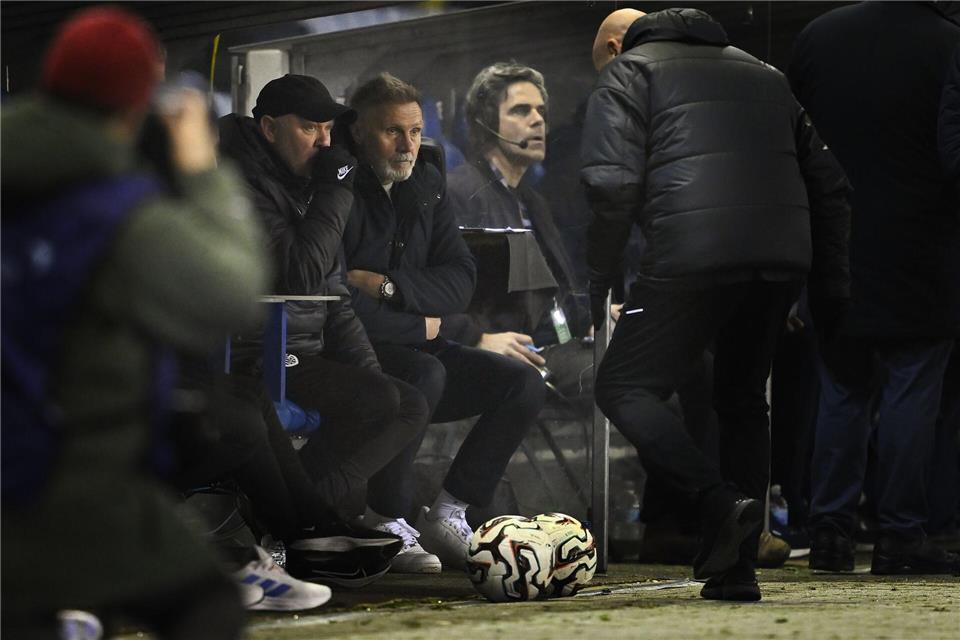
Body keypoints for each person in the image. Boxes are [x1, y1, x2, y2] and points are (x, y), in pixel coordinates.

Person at [1, 7, 267, 638]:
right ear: (134, 108)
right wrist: (202, 168)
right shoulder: (118, 218)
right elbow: (232, 291)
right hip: (65, 484)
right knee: (205, 606)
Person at [582, 8, 851, 601]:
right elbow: (830, 184)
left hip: (690, 253)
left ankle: (718, 502)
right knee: (742, 397)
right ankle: (738, 569)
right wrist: (828, 289)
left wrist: (597, 280)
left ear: (615, 44)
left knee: (623, 387)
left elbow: (610, 186)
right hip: (781, 258)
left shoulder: (628, 75)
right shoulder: (765, 73)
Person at [217, 74, 432, 576]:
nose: (324, 143)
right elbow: (298, 271)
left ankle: (299, 522)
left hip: (301, 348)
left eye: (329, 130)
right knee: (378, 401)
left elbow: (333, 294)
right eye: (311, 128)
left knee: (405, 402)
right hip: (251, 349)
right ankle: (308, 526)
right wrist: (337, 189)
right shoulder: (241, 181)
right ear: (270, 128)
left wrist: (371, 369)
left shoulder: (304, 181)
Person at [340, 73, 545, 570]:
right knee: (424, 372)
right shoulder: (339, 192)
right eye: (392, 131)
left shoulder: (427, 184)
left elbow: (460, 281)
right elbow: (338, 301)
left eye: (414, 131)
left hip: (417, 345)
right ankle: (383, 516)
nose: (408, 144)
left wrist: (389, 287)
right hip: (356, 355)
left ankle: (449, 511)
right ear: (360, 132)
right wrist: (419, 323)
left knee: (522, 382)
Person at [788, 1, 960, 575]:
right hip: (923, 247)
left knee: (841, 392)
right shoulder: (947, 39)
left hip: (835, 242)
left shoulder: (818, 36)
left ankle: (830, 533)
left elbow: (794, 142)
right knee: (912, 392)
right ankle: (900, 536)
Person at [446, 62, 592, 402]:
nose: (538, 120)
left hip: (551, 346)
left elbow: (550, 293)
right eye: (521, 110)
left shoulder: (532, 201)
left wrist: (591, 319)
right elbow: (428, 292)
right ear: (485, 123)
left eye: (541, 110)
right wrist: (475, 339)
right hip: (508, 357)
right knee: (630, 376)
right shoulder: (459, 193)